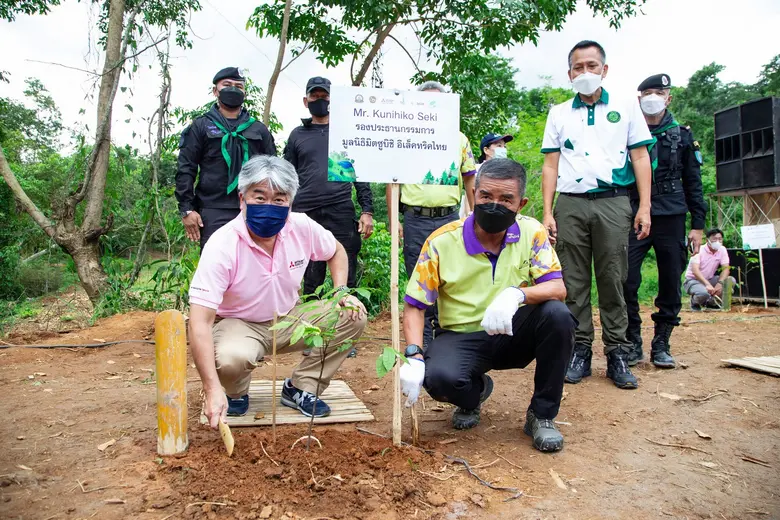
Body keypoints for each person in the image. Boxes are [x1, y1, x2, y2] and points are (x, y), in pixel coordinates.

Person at [399, 158, 575, 452]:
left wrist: (517, 295)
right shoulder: (441, 242)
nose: (494, 205)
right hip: (460, 336)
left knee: (558, 316)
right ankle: (475, 393)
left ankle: (542, 415)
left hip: (512, 331)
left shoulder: (532, 233)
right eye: (486, 196)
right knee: (440, 379)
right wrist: (414, 354)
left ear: (521, 202)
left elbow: (558, 287)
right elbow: (416, 305)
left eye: (506, 199)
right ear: (474, 195)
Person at [188, 155, 367, 427]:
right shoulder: (222, 244)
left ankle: (301, 387)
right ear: (242, 198)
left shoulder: (302, 226)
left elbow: (336, 251)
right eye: (259, 198)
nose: (269, 206)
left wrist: (341, 291)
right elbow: (200, 322)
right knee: (230, 358)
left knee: (352, 315)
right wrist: (211, 389)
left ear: (290, 202)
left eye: (279, 199)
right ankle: (234, 393)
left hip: (290, 318)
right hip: (240, 324)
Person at [541, 40, 654, 389]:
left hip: (614, 201)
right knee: (572, 280)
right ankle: (580, 350)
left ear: (604, 70)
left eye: (592, 65)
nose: (585, 72)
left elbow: (640, 157)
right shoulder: (559, 112)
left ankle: (618, 353)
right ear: (570, 73)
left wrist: (644, 206)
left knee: (613, 277)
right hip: (571, 203)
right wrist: (547, 210)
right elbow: (550, 164)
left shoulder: (626, 107)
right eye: (578, 67)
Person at [623, 74, 707, 368]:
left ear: (668, 98)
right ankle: (632, 341)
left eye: (658, 92)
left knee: (671, 278)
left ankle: (662, 342)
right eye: (647, 92)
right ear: (638, 99)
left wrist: (698, 225)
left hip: (671, 214)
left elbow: (693, 182)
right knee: (626, 278)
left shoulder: (682, 136)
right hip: (634, 213)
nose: (652, 97)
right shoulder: (627, 133)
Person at [284, 77, 372, 358]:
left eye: (325, 95)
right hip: (305, 211)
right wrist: (284, 209)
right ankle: (310, 334)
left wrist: (367, 210)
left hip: (340, 208)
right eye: (315, 95)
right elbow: (288, 175)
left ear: (333, 100)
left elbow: (360, 173)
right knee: (310, 274)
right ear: (306, 100)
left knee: (345, 273)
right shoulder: (298, 135)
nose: (320, 99)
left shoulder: (346, 132)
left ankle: (347, 333)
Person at [387, 80, 478, 350]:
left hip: (450, 219)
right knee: (419, 280)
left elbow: (470, 179)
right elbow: (392, 184)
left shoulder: (458, 139)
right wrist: (395, 222)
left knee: (450, 278)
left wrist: (474, 217)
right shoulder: (405, 138)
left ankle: (447, 341)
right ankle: (421, 343)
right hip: (416, 220)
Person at [176, 67, 277, 250]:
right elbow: (186, 168)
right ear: (216, 91)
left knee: (255, 265)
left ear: (245, 92)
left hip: (253, 207)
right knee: (216, 267)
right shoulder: (201, 126)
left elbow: (273, 170)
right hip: (213, 209)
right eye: (227, 85)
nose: (233, 89)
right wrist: (187, 209)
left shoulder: (258, 130)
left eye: (239, 86)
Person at [459, 133, 514, 219]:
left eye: (504, 146)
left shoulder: (509, 173)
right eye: (499, 146)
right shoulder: (477, 170)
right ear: (486, 150)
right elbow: (468, 196)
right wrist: (471, 218)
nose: (503, 149)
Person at [683, 229, 736, 310]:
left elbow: (726, 269)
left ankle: (712, 303)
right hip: (693, 281)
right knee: (703, 293)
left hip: (710, 279)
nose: (717, 241)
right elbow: (695, 271)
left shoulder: (722, 249)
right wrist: (707, 284)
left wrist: (720, 283)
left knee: (730, 281)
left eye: (720, 239)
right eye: (714, 239)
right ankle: (695, 302)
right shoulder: (699, 250)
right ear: (708, 240)